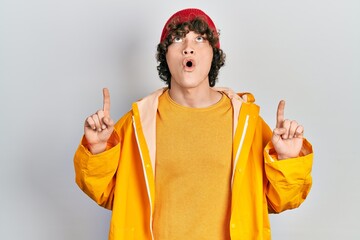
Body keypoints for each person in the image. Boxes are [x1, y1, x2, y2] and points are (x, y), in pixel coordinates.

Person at [74, 8, 313, 240]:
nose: (188, 48)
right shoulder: (137, 122)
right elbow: (109, 194)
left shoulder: (246, 123)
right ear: (165, 56)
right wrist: (97, 150)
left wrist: (287, 160)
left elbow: (278, 200)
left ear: (214, 54)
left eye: (199, 38)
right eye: (177, 39)